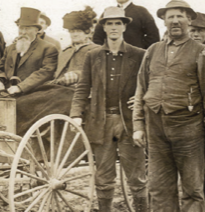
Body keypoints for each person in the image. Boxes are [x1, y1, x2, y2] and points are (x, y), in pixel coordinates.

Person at [70, 7, 147, 212]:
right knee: (103, 177)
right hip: (101, 123)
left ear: (124, 26)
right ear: (103, 27)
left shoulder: (139, 55)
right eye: (109, 23)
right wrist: (76, 114)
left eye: (118, 23)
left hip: (129, 123)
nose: (114, 27)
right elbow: (83, 87)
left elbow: (150, 85)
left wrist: (141, 101)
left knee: (137, 177)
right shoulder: (92, 56)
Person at [133, 0, 205, 211]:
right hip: (155, 129)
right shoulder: (153, 51)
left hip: (188, 129)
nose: (175, 21)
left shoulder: (200, 52)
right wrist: (138, 126)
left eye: (180, 16)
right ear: (164, 20)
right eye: (170, 16)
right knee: (159, 188)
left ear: (189, 20)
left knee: (193, 189)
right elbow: (141, 89)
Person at [16, 6, 98, 136]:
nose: (74, 34)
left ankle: (29, 130)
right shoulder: (66, 51)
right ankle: (23, 131)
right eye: (72, 31)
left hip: (80, 95)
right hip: (58, 89)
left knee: (53, 99)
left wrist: (77, 75)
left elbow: (97, 74)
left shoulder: (96, 51)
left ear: (87, 32)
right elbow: (54, 73)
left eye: (78, 31)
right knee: (24, 100)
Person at [0, 7, 58, 95]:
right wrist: (0, 80)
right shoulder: (10, 48)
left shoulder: (48, 48)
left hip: (34, 94)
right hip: (8, 93)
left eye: (27, 28)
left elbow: (45, 72)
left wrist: (21, 87)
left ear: (36, 30)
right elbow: (1, 68)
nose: (23, 32)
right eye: (21, 28)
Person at [93, 0, 160, 49]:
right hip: (112, 58)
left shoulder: (141, 11)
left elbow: (153, 36)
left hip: (135, 60)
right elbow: (97, 37)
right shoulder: (108, 13)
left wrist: (140, 50)